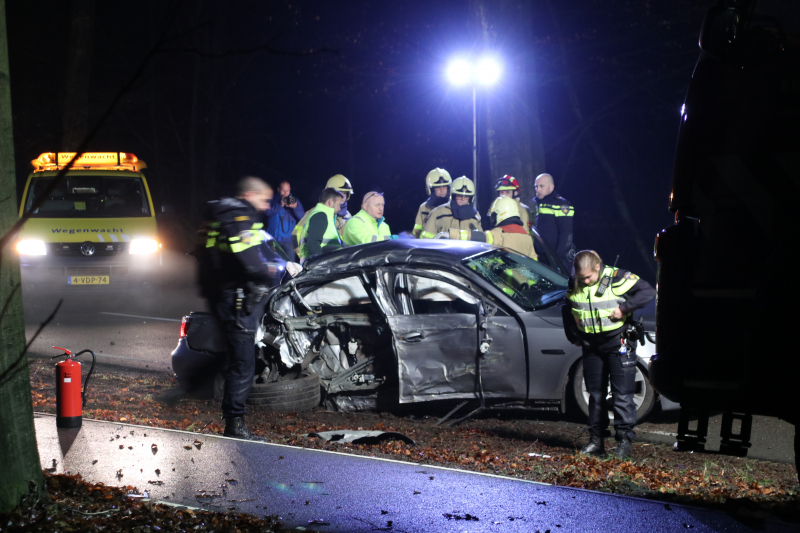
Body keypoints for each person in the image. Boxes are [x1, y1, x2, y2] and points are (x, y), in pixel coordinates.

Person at [196, 177, 276, 441]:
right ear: (250, 194)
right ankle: (235, 425)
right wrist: (269, 270)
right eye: (264, 200)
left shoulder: (219, 214)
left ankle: (186, 388)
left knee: (231, 357)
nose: (266, 206)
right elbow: (250, 261)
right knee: (243, 363)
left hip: (222, 296)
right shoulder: (238, 216)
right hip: (236, 299)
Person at [562, 250, 655, 459]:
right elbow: (568, 308)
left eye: (588, 277)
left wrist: (624, 309)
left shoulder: (616, 278)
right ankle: (596, 441)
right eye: (581, 278)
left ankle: (624, 444)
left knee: (622, 395)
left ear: (598, 267)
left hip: (617, 342)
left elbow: (647, 292)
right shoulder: (574, 282)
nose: (585, 282)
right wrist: (573, 335)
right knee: (595, 395)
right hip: (591, 345)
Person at [446, 196, 537, 260]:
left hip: (502, 281)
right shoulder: (527, 236)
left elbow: (476, 237)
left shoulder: (499, 233)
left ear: (501, 214)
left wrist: (449, 234)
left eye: (494, 216)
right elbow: (534, 262)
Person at [290, 173, 352, 259]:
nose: (343, 196)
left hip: (339, 261)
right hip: (321, 262)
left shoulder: (348, 216)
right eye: (340, 192)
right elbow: (296, 236)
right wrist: (306, 258)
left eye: (345, 193)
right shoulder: (317, 213)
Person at [533, 173, 574, 266]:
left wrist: (558, 257)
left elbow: (566, 233)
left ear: (551, 187)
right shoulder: (540, 203)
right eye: (536, 187)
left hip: (555, 257)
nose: (538, 190)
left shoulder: (562, 204)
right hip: (541, 255)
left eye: (541, 186)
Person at [298, 188, 345, 259]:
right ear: (330, 202)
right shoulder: (320, 215)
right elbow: (313, 245)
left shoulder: (323, 215)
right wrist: (324, 262)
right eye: (338, 205)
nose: (339, 208)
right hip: (319, 265)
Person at [265, 180, 304, 262]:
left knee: (290, 265)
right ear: (278, 189)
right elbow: (268, 213)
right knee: (273, 263)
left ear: (290, 189)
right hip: (273, 238)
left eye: (287, 191)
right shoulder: (272, 199)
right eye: (283, 190)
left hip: (289, 240)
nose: (285, 193)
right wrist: (280, 204)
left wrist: (295, 207)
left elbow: (302, 217)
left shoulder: (294, 200)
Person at [412, 168, 452, 238]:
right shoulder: (423, 208)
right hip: (426, 244)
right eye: (438, 188)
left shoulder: (453, 207)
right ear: (431, 189)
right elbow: (417, 231)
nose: (442, 190)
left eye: (444, 187)